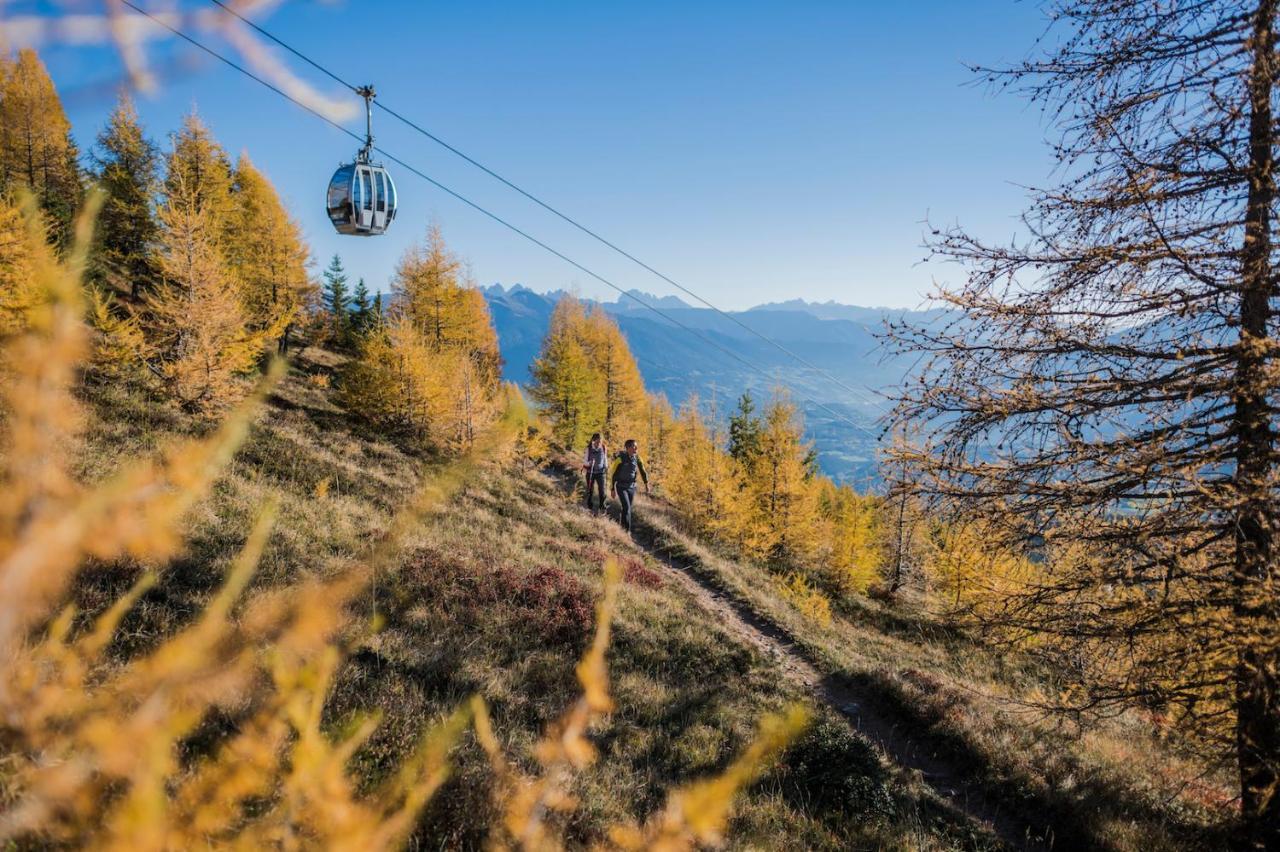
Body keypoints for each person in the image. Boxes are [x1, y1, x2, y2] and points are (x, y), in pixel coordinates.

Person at [609, 439, 649, 534]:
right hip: (621, 487)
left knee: (627, 508)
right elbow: (613, 474)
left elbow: (643, 471)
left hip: (631, 487)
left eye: (636, 446)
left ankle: (622, 526)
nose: (636, 448)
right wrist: (612, 489)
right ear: (627, 448)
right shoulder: (620, 459)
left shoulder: (638, 458)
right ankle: (627, 531)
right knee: (626, 507)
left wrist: (646, 484)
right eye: (633, 446)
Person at [581, 433, 609, 515]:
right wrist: (589, 463)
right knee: (590, 490)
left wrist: (606, 466)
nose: (598, 444)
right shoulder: (589, 448)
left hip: (601, 472)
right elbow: (585, 462)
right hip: (591, 472)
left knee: (602, 491)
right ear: (593, 440)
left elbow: (605, 458)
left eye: (600, 442)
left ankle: (602, 506)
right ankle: (589, 506)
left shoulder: (603, 448)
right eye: (597, 442)